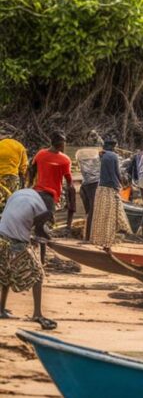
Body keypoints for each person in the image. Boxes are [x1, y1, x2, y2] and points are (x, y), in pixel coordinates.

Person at [0, 188, 56, 330]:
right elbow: (40, 231)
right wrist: (48, 238)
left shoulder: (22, 192)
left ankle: (1, 309)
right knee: (38, 274)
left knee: (6, 272)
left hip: (1, 234)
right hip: (15, 241)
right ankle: (37, 313)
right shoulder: (41, 207)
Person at [28, 131, 75, 232]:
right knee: (48, 218)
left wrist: (29, 185)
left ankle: (36, 235)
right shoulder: (65, 159)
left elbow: (32, 169)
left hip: (37, 192)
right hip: (50, 194)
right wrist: (71, 198)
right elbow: (69, 181)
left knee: (41, 217)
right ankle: (39, 237)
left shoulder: (40, 153)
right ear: (62, 144)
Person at [89, 136, 130, 248]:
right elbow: (115, 173)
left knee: (101, 215)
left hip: (101, 188)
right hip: (110, 189)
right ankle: (108, 239)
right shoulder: (112, 156)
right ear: (112, 146)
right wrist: (120, 184)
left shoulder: (101, 155)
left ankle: (97, 238)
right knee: (110, 216)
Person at [74, 131, 103, 239]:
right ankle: (89, 237)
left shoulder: (80, 153)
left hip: (84, 186)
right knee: (93, 212)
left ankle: (88, 235)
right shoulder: (98, 153)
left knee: (89, 212)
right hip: (94, 185)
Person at [0, 134, 28, 207]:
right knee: (12, 201)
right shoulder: (20, 146)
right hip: (12, 177)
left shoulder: (1, 144)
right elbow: (23, 167)